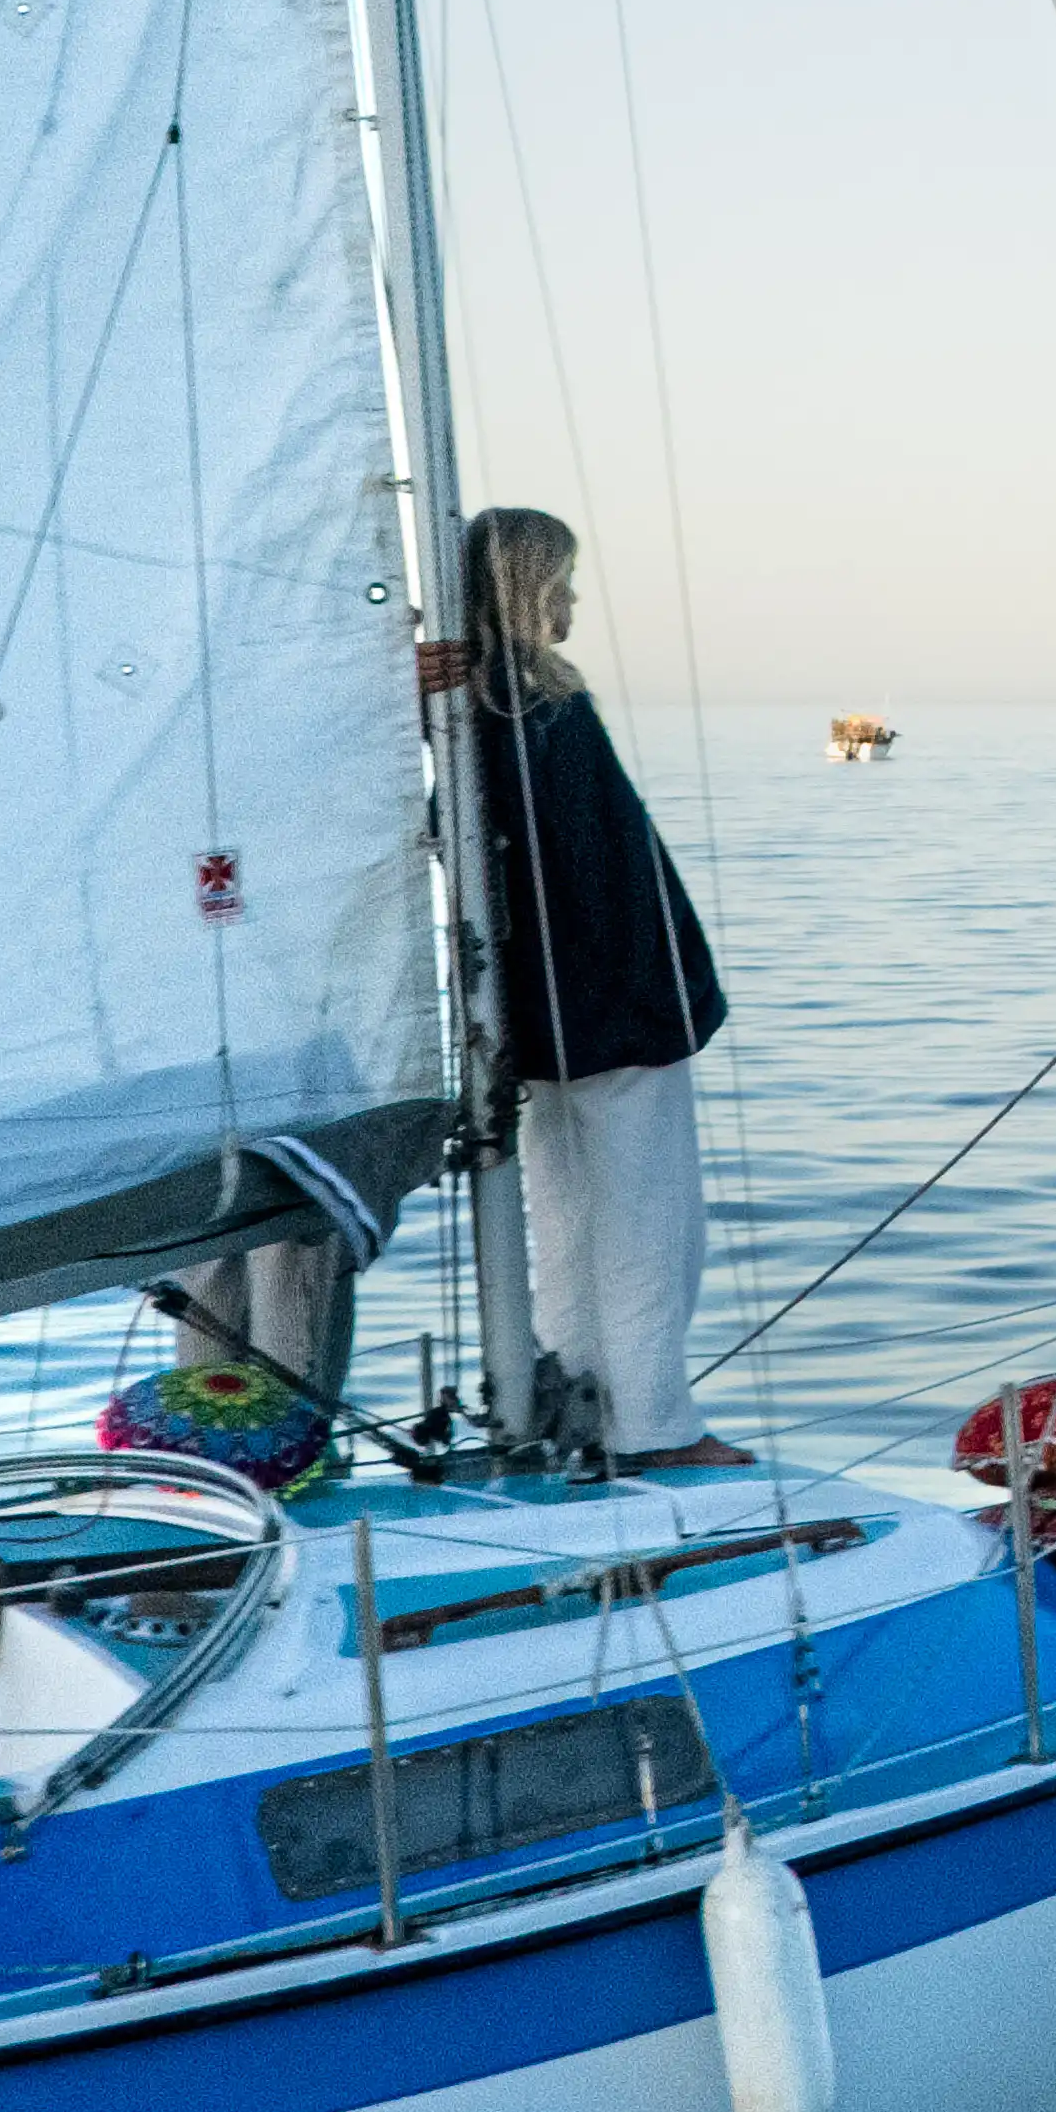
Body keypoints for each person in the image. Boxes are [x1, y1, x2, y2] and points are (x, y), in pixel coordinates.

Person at [462, 502, 727, 1469]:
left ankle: (575, 1406)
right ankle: (653, 1426)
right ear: (528, 590)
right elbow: (597, 873)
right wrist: (662, 1003)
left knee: (568, 1223)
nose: (572, 598)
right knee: (650, 1227)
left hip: (535, 1021)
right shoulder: (544, 707)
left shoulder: (473, 709)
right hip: (616, 1014)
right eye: (561, 580)